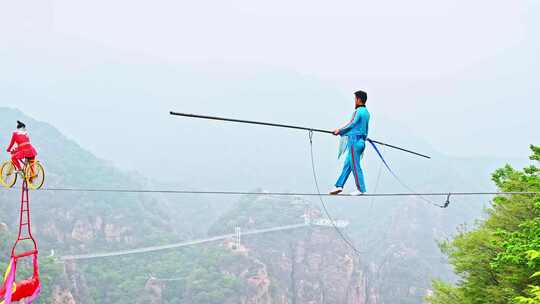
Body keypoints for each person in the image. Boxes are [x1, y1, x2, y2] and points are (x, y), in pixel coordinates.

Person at [330, 90, 370, 195]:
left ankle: (361, 189)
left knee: (355, 165)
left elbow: (352, 124)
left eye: (355, 99)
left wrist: (339, 130)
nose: (354, 101)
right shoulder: (367, 113)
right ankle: (339, 185)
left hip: (354, 142)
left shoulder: (358, 111)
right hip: (361, 142)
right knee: (348, 164)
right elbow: (364, 128)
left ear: (359, 99)